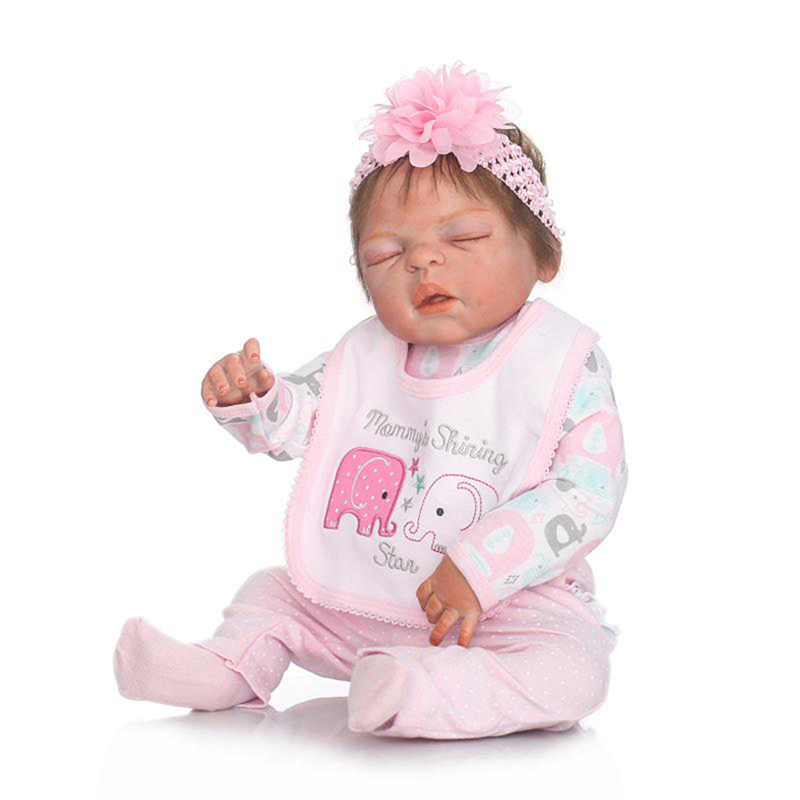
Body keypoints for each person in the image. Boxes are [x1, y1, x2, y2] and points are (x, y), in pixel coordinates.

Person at [113, 61, 629, 739]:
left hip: (510, 608)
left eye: (465, 238)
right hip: (362, 606)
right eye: (386, 254)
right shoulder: (365, 356)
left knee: (576, 670)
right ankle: (226, 667)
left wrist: (480, 567)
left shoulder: (560, 360)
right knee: (274, 592)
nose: (422, 262)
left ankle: (423, 690)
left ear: (545, 252)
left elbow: (588, 491)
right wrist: (259, 398)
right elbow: (304, 423)